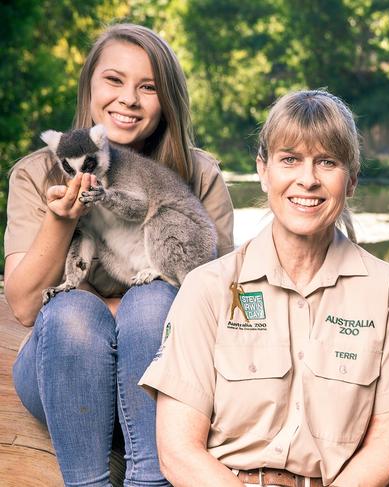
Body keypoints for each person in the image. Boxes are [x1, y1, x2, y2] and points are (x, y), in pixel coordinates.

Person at [139, 89, 389, 487]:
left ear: (351, 180)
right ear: (264, 171)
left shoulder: (388, 291)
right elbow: (178, 451)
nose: (308, 180)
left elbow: (387, 442)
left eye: (327, 162)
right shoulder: (208, 289)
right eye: (290, 160)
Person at [5, 23, 234, 486]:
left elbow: (226, 299)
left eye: (147, 87)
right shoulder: (35, 173)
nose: (128, 99)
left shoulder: (198, 172)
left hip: (168, 372)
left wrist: (125, 313)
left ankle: (149, 479)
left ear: (166, 100)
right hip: (62, 370)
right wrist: (63, 218)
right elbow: (27, 304)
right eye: (114, 80)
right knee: (70, 309)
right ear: (90, 84)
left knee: (150, 305)